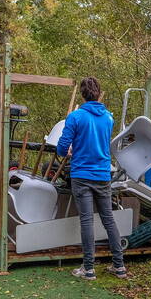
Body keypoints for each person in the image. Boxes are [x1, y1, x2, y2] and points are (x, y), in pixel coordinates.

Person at [56, 77, 127, 280]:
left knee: (86, 221)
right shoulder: (108, 118)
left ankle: (88, 269)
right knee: (108, 219)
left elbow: (62, 147)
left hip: (82, 174)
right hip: (103, 174)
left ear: (83, 95)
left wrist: (69, 150)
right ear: (98, 93)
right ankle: (119, 266)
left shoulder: (76, 117)